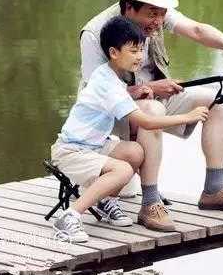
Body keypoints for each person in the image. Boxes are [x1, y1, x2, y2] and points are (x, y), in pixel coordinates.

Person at [79, 0, 223, 213]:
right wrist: (150, 88)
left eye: (162, 14)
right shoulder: (95, 32)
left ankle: (214, 191)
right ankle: (150, 203)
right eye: (152, 14)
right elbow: (96, 96)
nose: (158, 21)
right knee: (152, 109)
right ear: (129, 7)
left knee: (217, 102)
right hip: (112, 112)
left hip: (154, 98)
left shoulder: (157, 15)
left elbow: (196, 29)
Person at [51, 17, 209, 243]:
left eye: (141, 50)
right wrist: (188, 116)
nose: (140, 57)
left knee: (135, 152)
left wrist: (135, 93)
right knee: (123, 170)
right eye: (133, 51)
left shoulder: (109, 75)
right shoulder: (109, 84)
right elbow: (146, 122)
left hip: (93, 145)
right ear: (114, 53)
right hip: (71, 152)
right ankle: (70, 216)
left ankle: (105, 201)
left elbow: (119, 94)